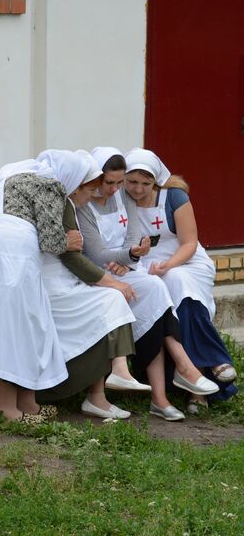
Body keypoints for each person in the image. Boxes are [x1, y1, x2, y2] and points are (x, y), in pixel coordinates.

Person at [77, 147, 219, 420]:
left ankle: (163, 392)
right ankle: (180, 374)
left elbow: (133, 235)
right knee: (140, 298)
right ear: (96, 178)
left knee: (156, 290)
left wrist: (128, 258)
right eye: (110, 182)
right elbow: (95, 253)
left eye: (120, 182)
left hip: (123, 268)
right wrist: (128, 255)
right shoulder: (85, 205)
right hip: (97, 273)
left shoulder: (122, 197)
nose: (116, 189)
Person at [0, 152, 77, 423]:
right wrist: (69, 242)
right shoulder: (49, 184)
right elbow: (50, 240)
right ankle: (6, 408)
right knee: (15, 328)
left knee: (18, 325)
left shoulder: (8, 181)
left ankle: (28, 402)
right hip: (15, 256)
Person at [124, 148, 237, 411]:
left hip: (185, 261)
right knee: (164, 298)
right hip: (143, 265)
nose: (138, 189)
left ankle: (197, 379)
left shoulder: (174, 196)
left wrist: (168, 265)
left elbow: (189, 243)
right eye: (132, 182)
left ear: (156, 181)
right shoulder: (121, 200)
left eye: (145, 183)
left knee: (178, 285)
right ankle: (211, 364)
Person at [32, 151, 137, 420]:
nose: (93, 196)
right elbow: (71, 258)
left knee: (111, 301)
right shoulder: (62, 206)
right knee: (112, 299)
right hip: (52, 287)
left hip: (64, 282)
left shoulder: (66, 204)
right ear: (75, 185)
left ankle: (105, 386)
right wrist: (113, 283)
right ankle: (107, 382)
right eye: (90, 190)